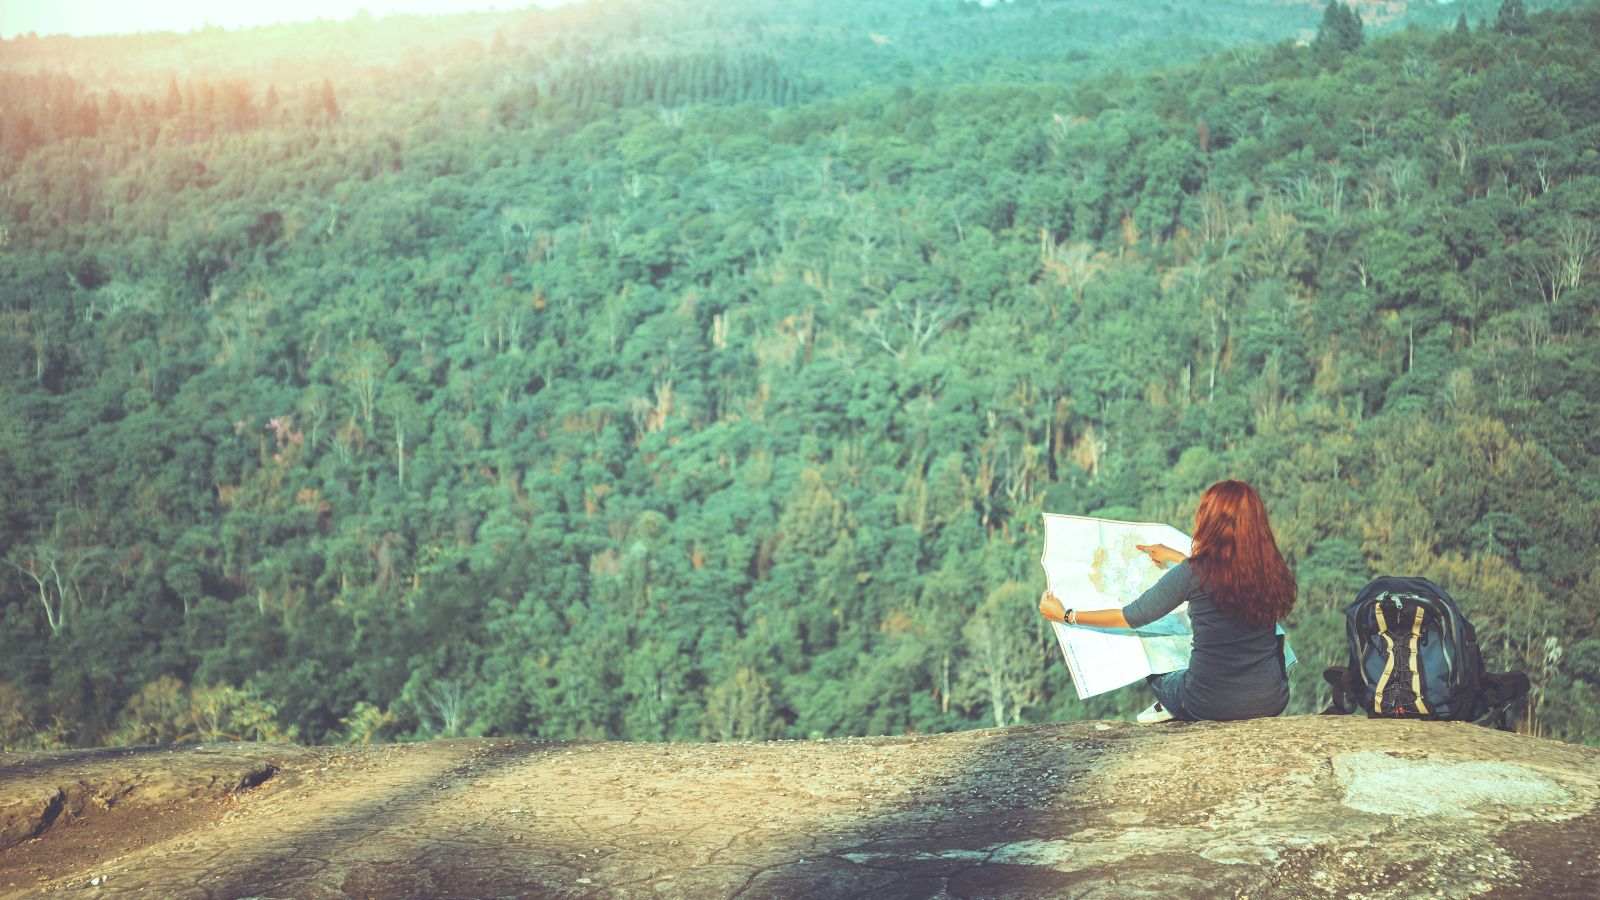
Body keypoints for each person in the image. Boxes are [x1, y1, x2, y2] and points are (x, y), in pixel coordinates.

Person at [1037, 479, 1297, 723]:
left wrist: (1066, 615)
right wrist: (1178, 556)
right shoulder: (1269, 568)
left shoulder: (1194, 572)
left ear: (1211, 522)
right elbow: (1225, 575)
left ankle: (1172, 707)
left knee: (1153, 663)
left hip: (1208, 703)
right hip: (1271, 699)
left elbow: (1132, 616)